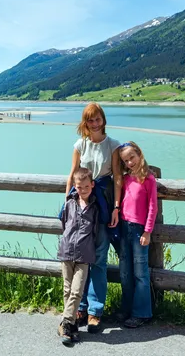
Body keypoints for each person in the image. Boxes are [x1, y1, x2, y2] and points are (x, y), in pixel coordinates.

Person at [65, 102, 122, 333]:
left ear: (103, 120)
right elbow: (72, 175)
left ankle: (95, 312)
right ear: (85, 123)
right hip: (81, 207)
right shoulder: (80, 145)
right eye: (90, 120)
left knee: (98, 258)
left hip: (104, 206)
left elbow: (118, 177)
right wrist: (67, 205)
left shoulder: (113, 145)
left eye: (97, 119)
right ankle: (80, 307)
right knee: (82, 257)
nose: (94, 123)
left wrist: (116, 207)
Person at [116, 141, 158, 328]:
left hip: (139, 230)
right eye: (125, 160)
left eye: (132, 157)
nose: (130, 163)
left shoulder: (148, 178)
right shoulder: (125, 179)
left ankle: (142, 313)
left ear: (139, 154)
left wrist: (148, 231)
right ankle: (126, 309)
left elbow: (152, 206)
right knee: (125, 272)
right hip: (125, 227)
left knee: (141, 273)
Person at [57, 168, 98, 346]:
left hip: (85, 254)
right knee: (67, 289)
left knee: (77, 291)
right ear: (74, 186)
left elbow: (95, 231)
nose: (83, 190)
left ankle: (65, 323)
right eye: (79, 187)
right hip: (66, 251)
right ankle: (71, 325)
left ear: (92, 186)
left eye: (86, 187)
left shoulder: (95, 208)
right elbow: (64, 223)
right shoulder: (68, 204)